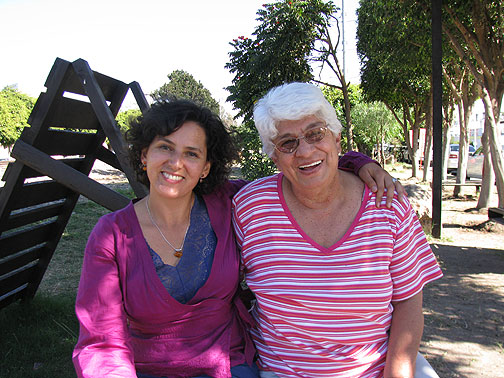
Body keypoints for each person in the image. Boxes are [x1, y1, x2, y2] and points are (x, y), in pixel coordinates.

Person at [72, 99, 405, 378]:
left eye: (191, 153)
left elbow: (302, 171)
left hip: (229, 364)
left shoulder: (230, 203)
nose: (176, 163)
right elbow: (102, 343)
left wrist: (357, 162)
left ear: (205, 167)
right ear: (144, 155)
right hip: (148, 369)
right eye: (164, 148)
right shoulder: (112, 236)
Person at [232, 83, 443, 378]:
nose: (305, 151)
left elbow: (408, 301)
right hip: (280, 372)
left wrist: (397, 372)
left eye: (316, 134)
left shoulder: (388, 205)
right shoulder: (250, 208)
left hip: (375, 369)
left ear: (338, 139)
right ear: (274, 156)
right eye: (287, 143)